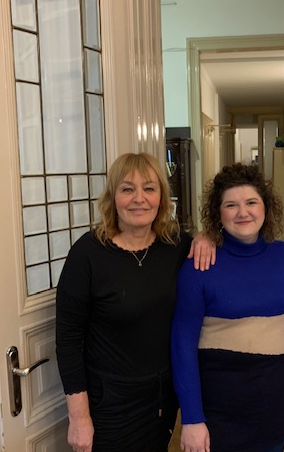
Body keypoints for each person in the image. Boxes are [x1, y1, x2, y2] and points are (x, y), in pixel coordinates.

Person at [171, 163, 284, 452]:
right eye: (231, 205)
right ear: (218, 213)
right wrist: (192, 417)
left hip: (273, 406)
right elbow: (182, 344)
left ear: (265, 207)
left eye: (251, 202)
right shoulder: (200, 264)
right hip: (217, 413)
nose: (242, 212)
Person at [55, 152, 194, 452]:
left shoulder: (176, 244)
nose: (139, 198)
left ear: (161, 196)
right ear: (113, 197)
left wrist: (206, 238)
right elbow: (68, 341)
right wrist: (79, 418)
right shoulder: (87, 254)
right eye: (127, 189)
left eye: (149, 188)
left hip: (162, 397)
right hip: (109, 402)